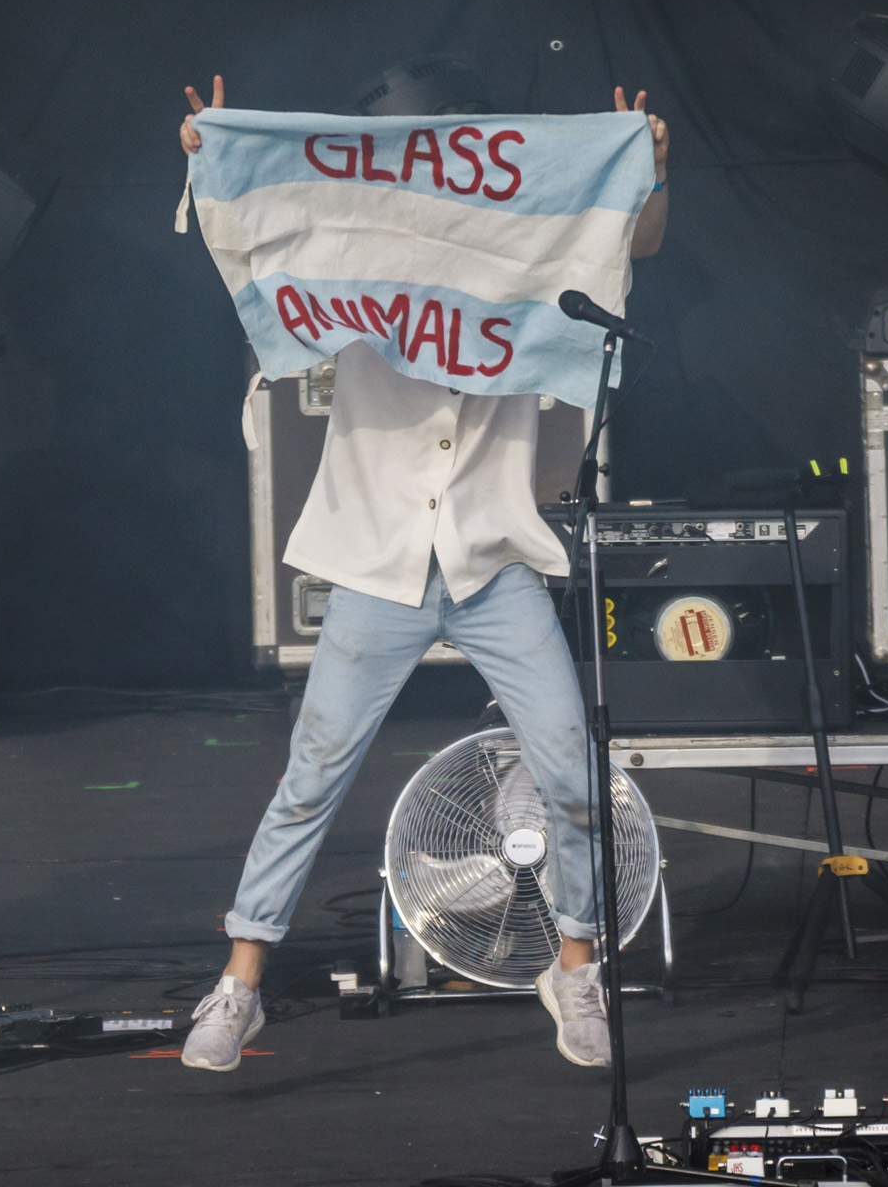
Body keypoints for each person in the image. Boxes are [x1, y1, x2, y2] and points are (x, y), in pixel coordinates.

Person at [175, 65, 668, 1070]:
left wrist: (643, 170)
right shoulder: (353, 261)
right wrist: (217, 158)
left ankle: (574, 965)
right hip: (379, 561)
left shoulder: (518, 256)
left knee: (574, 771)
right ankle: (239, 981)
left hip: (491, 559)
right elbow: (262, 244)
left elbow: (621, 241)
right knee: (310, 778)